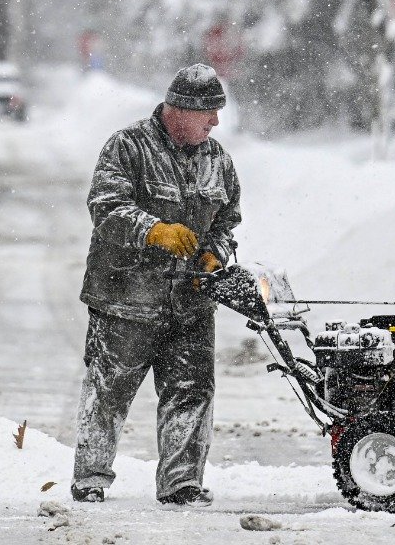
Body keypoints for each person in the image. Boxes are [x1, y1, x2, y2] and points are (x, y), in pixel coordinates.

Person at [71, 63, 242, 507]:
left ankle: (181, 483)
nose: (216, 123)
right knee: (109, 392)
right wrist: (153, 230)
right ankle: (91, 478)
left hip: (191, 303)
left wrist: (215, 252)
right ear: (179, 109)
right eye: (210, 113)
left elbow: (228, 219)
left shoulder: (217, 160)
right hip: (126, 301)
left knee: (191, 393)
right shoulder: (127, 147)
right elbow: (106, 208)